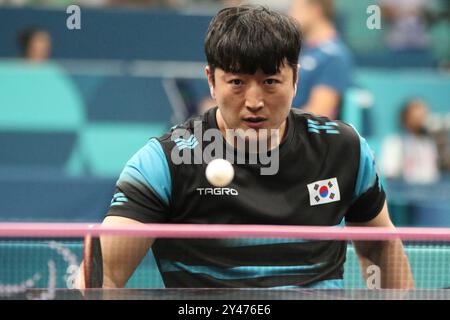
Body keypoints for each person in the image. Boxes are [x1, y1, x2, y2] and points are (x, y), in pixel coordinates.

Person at [78, 5, 413, 289]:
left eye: (270, 82)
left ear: (295, 79)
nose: (254, 102)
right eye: (237, 82)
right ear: (211, 80)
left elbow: (379, 248)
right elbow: (104, 277)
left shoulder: (343, 149)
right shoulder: (165, 161)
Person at [289, 0, 353, 120]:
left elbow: (318, 114)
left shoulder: (334, 56)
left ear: (315, 11)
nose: (291, 14)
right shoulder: (299, 50)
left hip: (297, 133)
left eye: (296, 9)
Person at [381, 99, 450, 184]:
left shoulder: (430, 143)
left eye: (424, 114)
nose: (422, 119)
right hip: (407, 193)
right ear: (406, 118)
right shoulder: (395, 142)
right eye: (417, 116)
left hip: (432, 192)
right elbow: (390, 174)